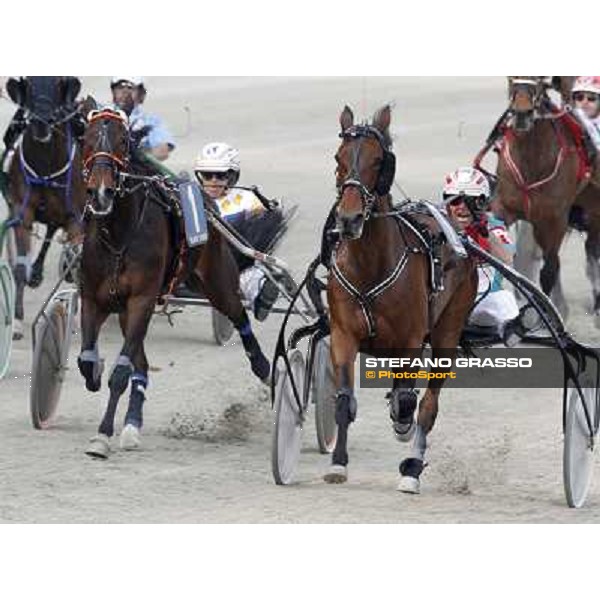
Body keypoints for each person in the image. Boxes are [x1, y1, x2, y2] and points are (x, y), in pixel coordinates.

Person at [194, 142, 284, 321]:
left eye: (219, 176)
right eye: (206, 175)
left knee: (250, 273)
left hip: (235, 264)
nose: (212, 181)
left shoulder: (246, 198)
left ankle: (261, 293)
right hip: (194, 262)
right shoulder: (191, 197)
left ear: (232, 177)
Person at [442, 167, 520, 336]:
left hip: (483, 303)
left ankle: (513, 338)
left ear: (481, 203)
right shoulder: (438, 225)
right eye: (454, 200)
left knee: (505, 299)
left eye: (468, 200)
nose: (461, 207)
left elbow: (507, 260)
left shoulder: (493, 226)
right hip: (445, 302)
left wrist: (483, 229)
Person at [109, 77, 176, 162]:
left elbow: (162, 152)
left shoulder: (151, 121)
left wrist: (139, 152)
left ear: (141, 93)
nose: (125, 92)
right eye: (120, 87)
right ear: (113, 92)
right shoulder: (102, 114)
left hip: (138, 168)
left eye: (130, 87)